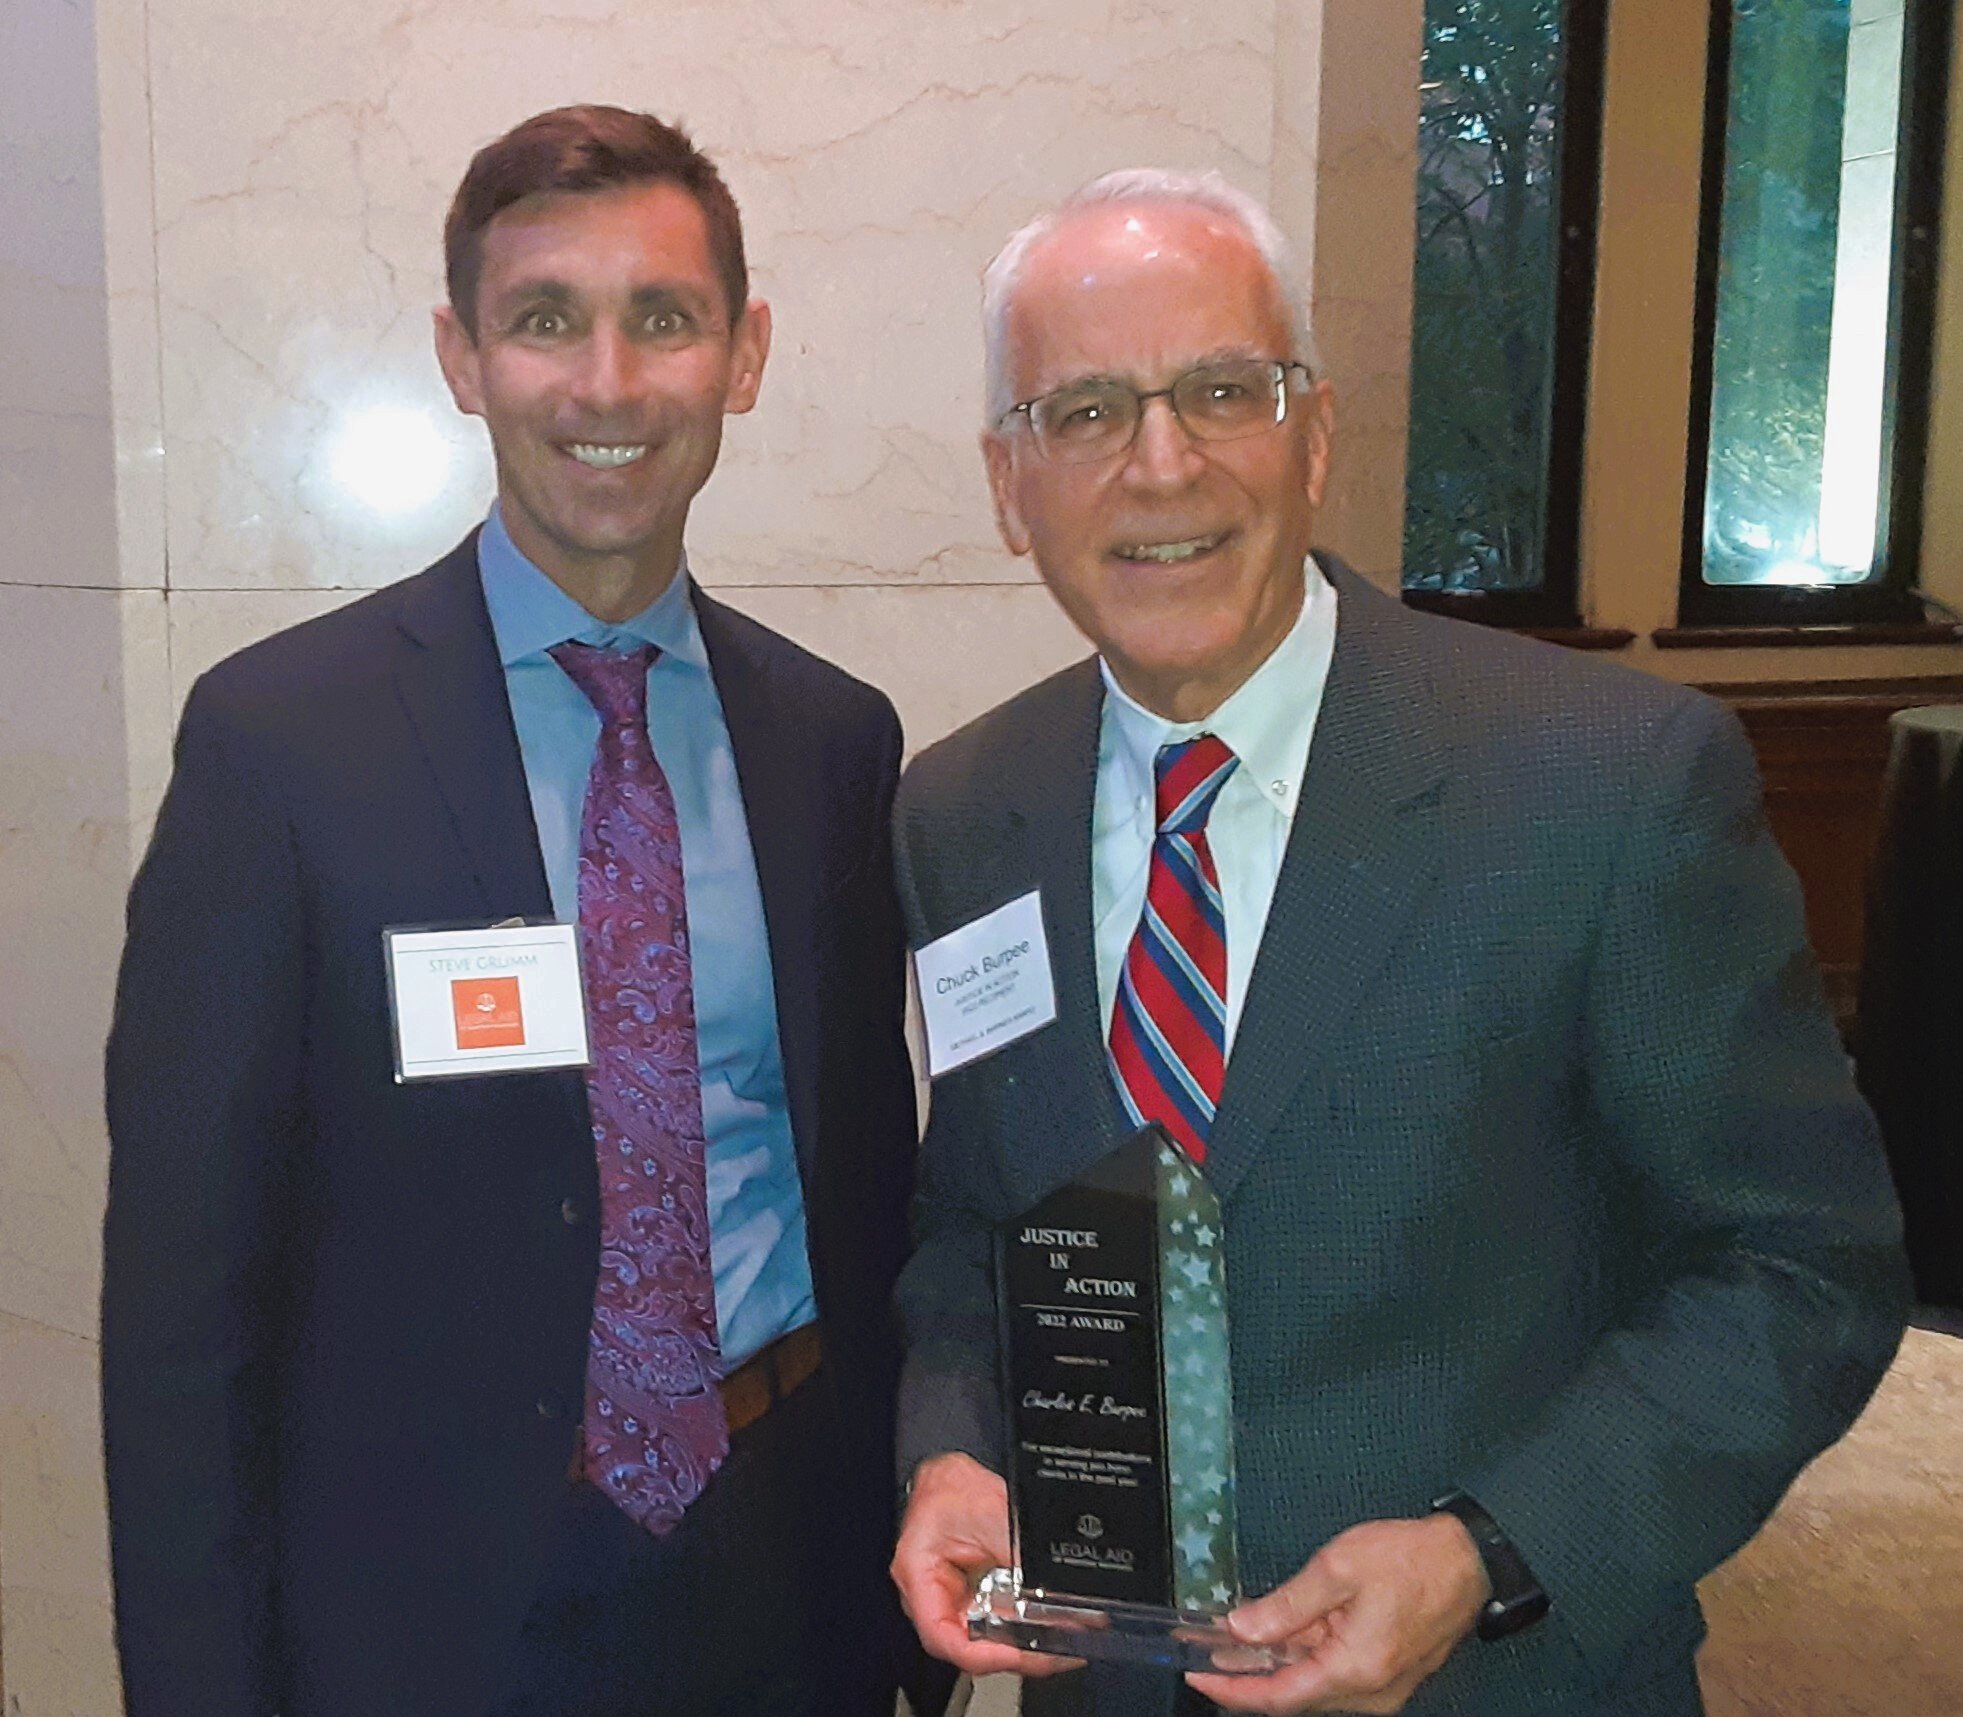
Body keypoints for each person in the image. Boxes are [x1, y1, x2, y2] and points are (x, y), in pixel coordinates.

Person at [886, 169, 1909, 1717]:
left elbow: (1801, 1266)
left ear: (1314, 431)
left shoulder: (1607, 780)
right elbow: (979, 1221)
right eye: (1085, 411)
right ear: (1005, 479)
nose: (1160, 466)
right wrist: (956, 1445)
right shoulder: (958, 811)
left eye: (1220, 390)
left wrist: (1491, 1551)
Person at [103, 104, 943, 1717]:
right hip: (421, 1604)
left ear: (744, 355)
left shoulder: (836, 740)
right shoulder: (281, 747)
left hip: (783, 1569)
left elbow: (865, 1179)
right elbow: (179, 1319)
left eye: (665, 318)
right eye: (545, 319)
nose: (608, 383)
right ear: (461, 355)